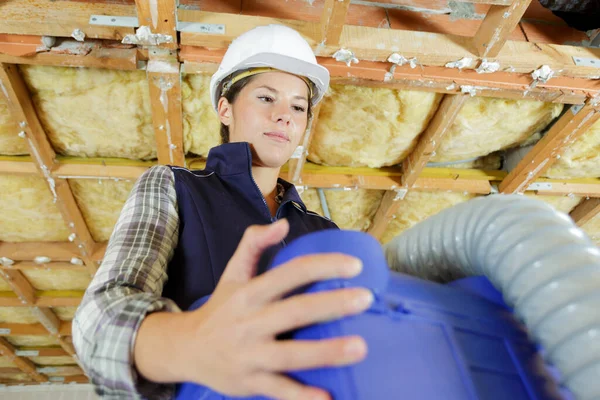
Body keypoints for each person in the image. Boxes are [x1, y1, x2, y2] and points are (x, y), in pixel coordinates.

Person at [73, 24, 374, 400]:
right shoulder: (175, 186)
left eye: (298, 106)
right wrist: (189, 345)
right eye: (267, 98)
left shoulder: (323, 230)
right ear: (225, 108)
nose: (286, 116)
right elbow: (98, 320)